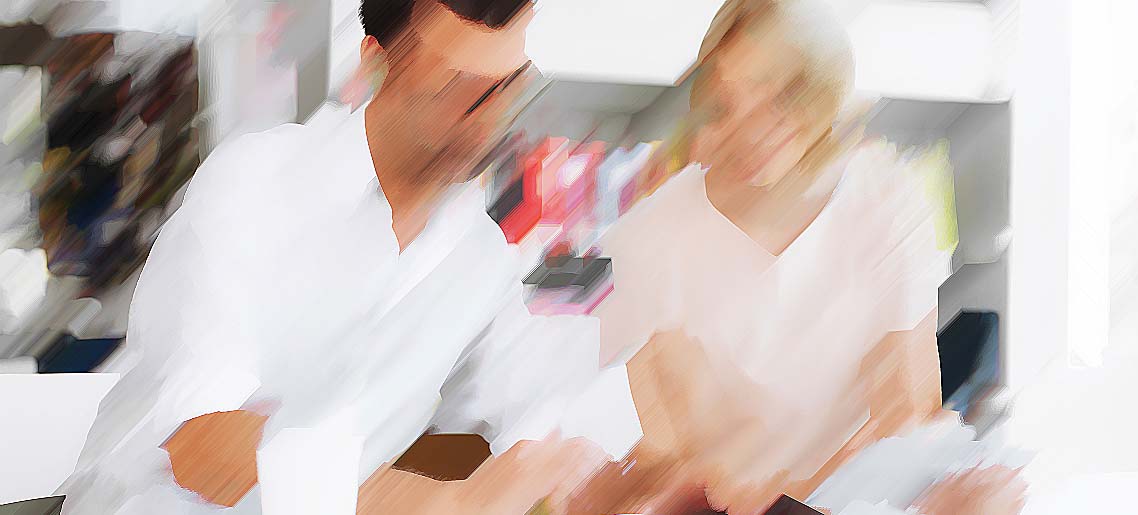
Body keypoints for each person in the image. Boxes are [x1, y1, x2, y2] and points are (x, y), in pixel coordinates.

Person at [57, 1, 641, 513]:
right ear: (376, 62)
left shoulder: (479, 254)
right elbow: (203, 449)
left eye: (504, 87)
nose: (485, 118)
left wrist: (586, 458)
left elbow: (536, 404)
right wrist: (440, 503)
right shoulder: (254, 185)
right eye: (453, 87)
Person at [579, 0, 1022, 513]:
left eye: (780, 99)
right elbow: (669, 450)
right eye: (730, 102)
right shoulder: (652, 236)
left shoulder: (886, 199)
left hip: (855, 497)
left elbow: (907, 407)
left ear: (823, 93)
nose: (751, 129)